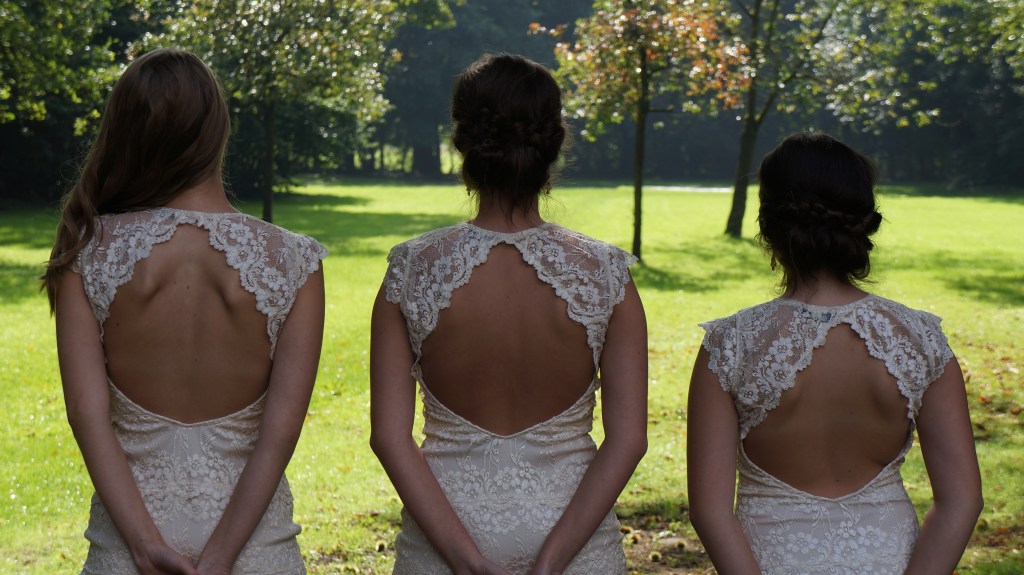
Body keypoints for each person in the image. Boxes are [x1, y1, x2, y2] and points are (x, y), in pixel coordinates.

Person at [43, 48, 326, 575]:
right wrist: (219, 559)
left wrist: (145, 545)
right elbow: (282, 429)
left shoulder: (87, 252)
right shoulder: (294, 260)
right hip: (256, 552)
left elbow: (86, 415)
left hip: (125, 553)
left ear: (126, 134)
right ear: (218, 131)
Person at [369, 53, 648, 575]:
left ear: (464, 144)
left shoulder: (410, 271)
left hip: (442, 546)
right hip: (578, 549)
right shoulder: (607, 276)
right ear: (553, 145)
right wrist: (552, 563)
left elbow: (388, 437)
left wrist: (465, 560)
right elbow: (629, 439)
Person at [686, 132, 983, 574]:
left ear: (768, 225)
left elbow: (710, 512)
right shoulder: (922, 341)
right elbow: (962, 500)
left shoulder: (729, 346)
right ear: (862, 221)